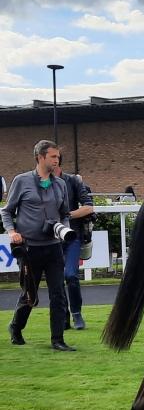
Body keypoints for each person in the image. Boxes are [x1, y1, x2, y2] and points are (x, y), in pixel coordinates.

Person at [2, 140, 75, 351]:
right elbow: (7, 211)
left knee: (58, 294)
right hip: (29, 248)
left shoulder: (60, 184)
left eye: (58, 157)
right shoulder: (21, 181)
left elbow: (65, 214)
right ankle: (16, 327)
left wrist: (64, 230)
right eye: (53, 156)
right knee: (29, 295)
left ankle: (58, 340)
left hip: (53, 247)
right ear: (40, 157)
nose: (57, 160)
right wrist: (12, 232)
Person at [54, 160, 94, 330]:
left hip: (72, 237)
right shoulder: (40, 183)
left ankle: (76, 313)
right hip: (51, 238)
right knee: (56, 280)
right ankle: (64, 316)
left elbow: (88, 207)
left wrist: (67, 216)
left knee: (70, 275)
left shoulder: (73, 181)